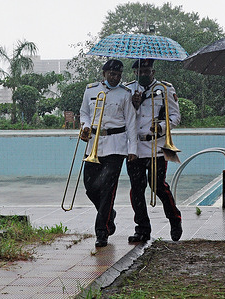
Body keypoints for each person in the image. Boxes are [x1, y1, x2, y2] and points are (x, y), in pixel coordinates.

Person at [80, 59, 138, 247]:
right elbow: (84, 113)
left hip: (116, 145)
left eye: (118, 75)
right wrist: (86, 127)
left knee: (107, 189)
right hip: (94, 144)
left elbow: (130, 122)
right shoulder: (90, 90)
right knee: (90, 187)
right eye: (112, 74)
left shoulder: (125, 94)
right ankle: (109, 213)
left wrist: (132, 149)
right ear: (104, 74)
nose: (115, 78)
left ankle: (102, 231)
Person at [125, 59, 182, 243]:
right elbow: (124, 117)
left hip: (157, 146)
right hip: (135, 147)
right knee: (137, 189)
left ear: (153, 71)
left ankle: (175, 219)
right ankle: (142, 229)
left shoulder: (165, 89)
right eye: (139, 71)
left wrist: (162, 127)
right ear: (134, 73)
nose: (143, 75)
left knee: (158, 186)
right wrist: (134, 105)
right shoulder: (128, 90)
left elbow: (175, 116)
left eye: (147, 71)